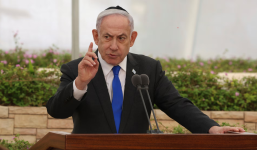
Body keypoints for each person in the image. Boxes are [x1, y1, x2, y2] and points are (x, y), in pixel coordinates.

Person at [46, 6, 245, 134]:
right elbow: (56, 111)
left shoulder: (148, 69)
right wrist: (81, 83)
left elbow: (177, 104)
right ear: (96, 36)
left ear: (132, 39)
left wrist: (212, 129)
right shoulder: (76, 69)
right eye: (107, 37)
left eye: (121, 38)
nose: (114, 46)